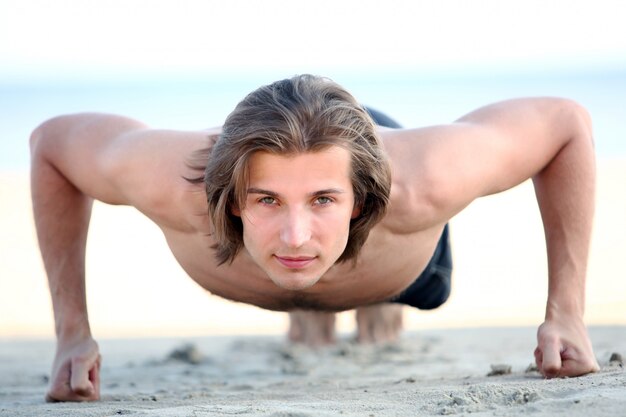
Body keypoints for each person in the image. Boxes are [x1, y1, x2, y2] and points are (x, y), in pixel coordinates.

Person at [30, 74, 599, 402]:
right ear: (228, 195)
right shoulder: (171, 181)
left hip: (397, 258)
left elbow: (564, 123)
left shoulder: (426, 179)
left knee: (411, 297)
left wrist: (566, 313)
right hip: (293, 203)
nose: (296, 236)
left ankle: (375, 300)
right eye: (266, 200)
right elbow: (52, 144)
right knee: (306, 297)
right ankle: (312, 305)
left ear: (361, 202)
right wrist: (72, 335)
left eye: (324, 202)